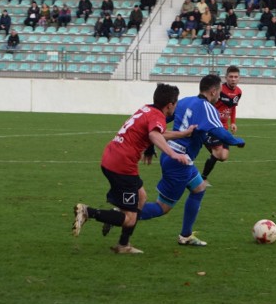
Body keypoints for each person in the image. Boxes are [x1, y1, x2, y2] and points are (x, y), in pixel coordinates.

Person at [104, 74, 248, 247]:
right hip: (179, 161)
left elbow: (161, 119)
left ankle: (186, 235)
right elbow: (219, 131)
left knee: (199, 188)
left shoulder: (185, 101)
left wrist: (150, 146)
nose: (219, 95)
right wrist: (237, 141)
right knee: (162, 207)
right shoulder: (208, 108)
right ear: (213, 91)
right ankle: (120, 215)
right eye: (218, 91)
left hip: (176, 156)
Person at [72, 84, 194, 254]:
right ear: (170, 105)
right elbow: (154, 135)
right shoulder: (157, 116)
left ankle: (123, 244)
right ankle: (88, 212)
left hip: (112, 157)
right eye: (176, 103)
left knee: (141, 198)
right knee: (130, 218)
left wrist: (181, 134)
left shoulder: (147, 109)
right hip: (122, 166)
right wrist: (173, 153)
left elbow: (156, 132)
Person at [201, 66, 243, 181]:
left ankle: (202, 176)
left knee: (223, 157)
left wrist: (233, 122)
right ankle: (202, 178)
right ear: (226, 77)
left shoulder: (238, 92)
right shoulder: (219, 90)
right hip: (213, 125)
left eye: (235, 77)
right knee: (218, 152)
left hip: (223, 127)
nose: (233, 79)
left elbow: (233, 107)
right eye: (231, 77)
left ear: (239, 78)